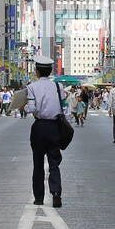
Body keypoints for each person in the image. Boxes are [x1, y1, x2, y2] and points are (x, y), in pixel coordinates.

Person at [24, 56, 71, 207]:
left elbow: (32, 109)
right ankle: (56, 193)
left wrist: (22, 107)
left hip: (39, 127)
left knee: (38, 163)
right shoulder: (58, 87)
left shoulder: (32, 87)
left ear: (37, 71)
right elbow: (65, 109)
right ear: (50, 71)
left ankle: (39, 198)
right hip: (55, 127)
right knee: (54, 163)